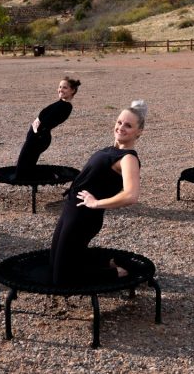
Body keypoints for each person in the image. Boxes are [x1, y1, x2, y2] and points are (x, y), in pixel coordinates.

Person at [49, 100, 145, 285]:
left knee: (61, 279)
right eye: (119, 122)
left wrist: (96, 203)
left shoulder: (128, 159)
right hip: (71, 210)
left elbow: (131, 195)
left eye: (128, 125)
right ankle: (107, 261)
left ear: (139, 132)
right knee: (54, 265)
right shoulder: (112, 150)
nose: (121, 127)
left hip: (84, 217)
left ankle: (117, 273)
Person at [13, 76, 80, 179]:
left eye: (65, 87)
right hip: (36, 136)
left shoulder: (66, 106)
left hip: (39, 138)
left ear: (73, 90)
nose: (60, 89)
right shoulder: (61, 103)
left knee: (21, 172)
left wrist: (37, 128)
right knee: (25, 168)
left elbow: (48, 122)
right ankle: (49, 175)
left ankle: (52, 175)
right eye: (60, 87)